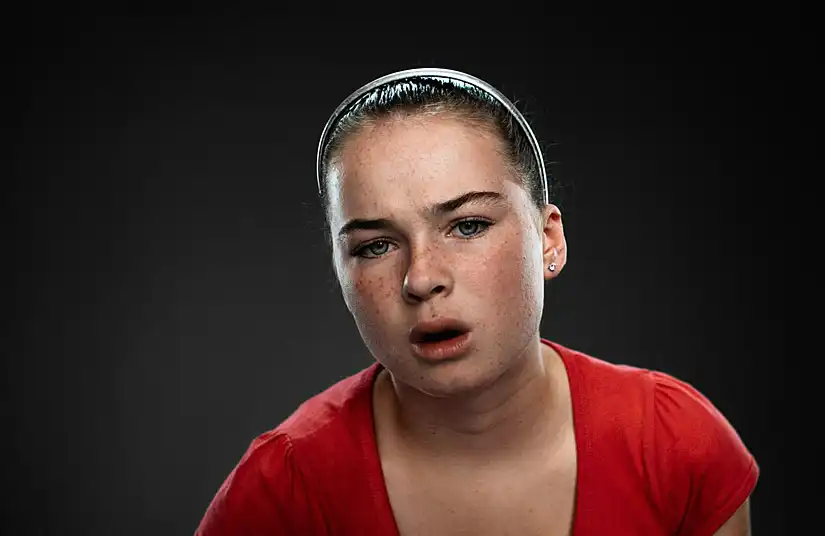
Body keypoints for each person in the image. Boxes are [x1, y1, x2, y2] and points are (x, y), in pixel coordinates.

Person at [195, 68, 759, 536]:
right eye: (375, 246)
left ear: (548, 240)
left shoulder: (676, 446)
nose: (421, 278)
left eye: (467, 225)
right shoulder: (281, 490)